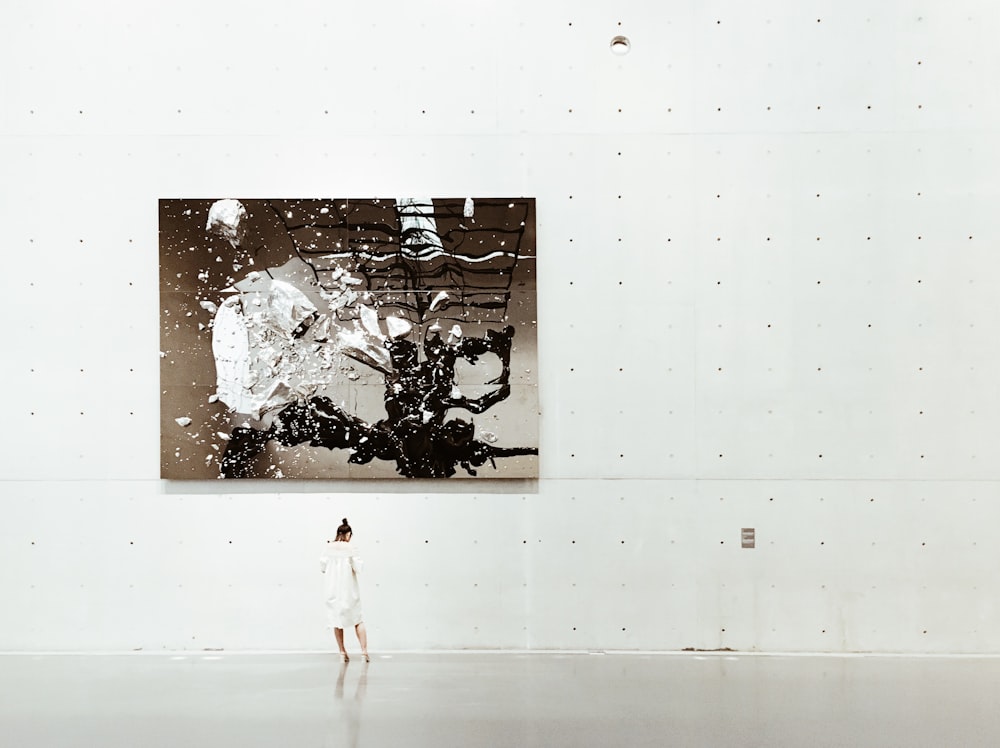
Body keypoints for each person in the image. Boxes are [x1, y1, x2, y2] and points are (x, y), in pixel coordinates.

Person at [320, 518, 369, 662]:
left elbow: (322, 567)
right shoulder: (351, 548)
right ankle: (364, 653)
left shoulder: (327, 548)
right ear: (349, 535)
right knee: (358, 620)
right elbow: (358, 567)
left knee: (336, 621)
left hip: (332, 590)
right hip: (348, 591)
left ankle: (342, 652)